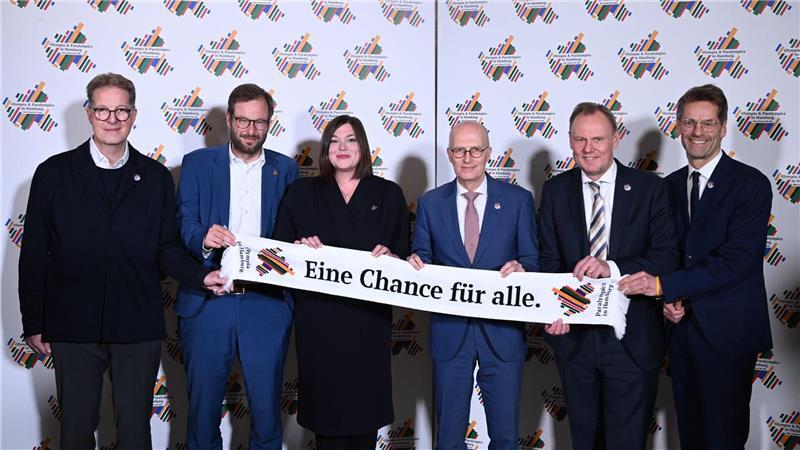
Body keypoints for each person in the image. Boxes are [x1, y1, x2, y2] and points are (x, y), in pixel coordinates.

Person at [17, 72, 226, 450]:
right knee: (76, 433)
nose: (112, 119)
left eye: (121, 110)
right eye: (103, 110)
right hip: (72, 325)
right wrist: (34, 321)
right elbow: (34, 254)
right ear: (88, 113)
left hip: (136, 327)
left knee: (134, 434)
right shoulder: (53, 173)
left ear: (133, 115)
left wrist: (202, 276)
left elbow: (166, 249)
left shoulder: (156, 177)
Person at [618, 84, 772, 450]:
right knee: (690, 435)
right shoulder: (668, 187)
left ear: (722, 127)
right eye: (689, 123)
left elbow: (734, 262)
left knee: (723, 438)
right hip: (681, 330)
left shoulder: (750, 184)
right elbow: (666, 254)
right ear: (678, 126)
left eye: (707, 123)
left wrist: (663, 287)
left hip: (728, 333)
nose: (698, 132)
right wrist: (667, 299)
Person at [538, 102, 679, 449]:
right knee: (584, 441)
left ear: (616, 139)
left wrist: (612, 268)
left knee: (627, 442)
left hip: (632, 338)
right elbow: (547, 261)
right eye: (580, 140)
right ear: (569, 141)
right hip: (575, 340)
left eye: (598, 139)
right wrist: (554, 309)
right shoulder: (556, 191)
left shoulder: (650, 189)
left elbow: (666, 256)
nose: (589, 149)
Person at [273, 115, 409, 449]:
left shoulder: (389, 194)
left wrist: (391, 257)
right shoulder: (301, 193)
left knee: (364, 424)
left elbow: (407, 258)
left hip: (368, 325)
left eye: (350, 140)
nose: (343, 147)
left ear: (363, 146)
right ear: (325, 149)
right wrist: (297, 250)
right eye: (334, 141)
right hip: (319, 324)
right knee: (328, 423)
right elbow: (276, 255)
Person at [174, 83, 298, 450]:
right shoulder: (197, 164)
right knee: (201, 413)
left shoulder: (286, 169)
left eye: (259, 122)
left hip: (266, 303)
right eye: (243, 120)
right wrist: (202, 237)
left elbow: (292, 231)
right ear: (228, 119)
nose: (250, 129)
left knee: (266, 412)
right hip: (209, 298)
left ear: (269, 123)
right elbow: (182, 223)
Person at [407, 121, 538, 450]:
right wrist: (414, 265)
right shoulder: (430, 203)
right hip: (451, 334)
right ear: (450, 155)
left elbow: (533, 261)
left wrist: (524, 269)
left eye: (475, 149)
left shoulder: (518, 201)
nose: (468, 158)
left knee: (506, 438)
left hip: (503, 333)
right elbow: (422, 255)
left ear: (488, 153)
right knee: (449, 440)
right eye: (459, 150)